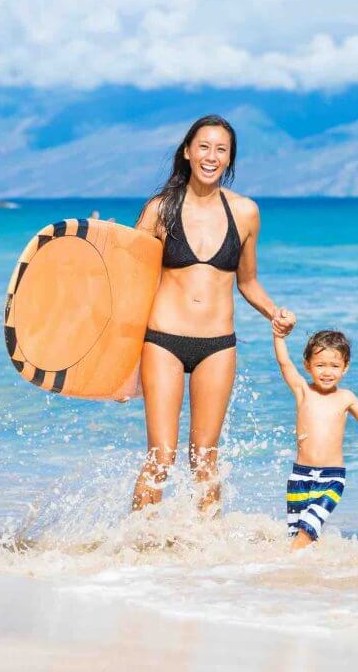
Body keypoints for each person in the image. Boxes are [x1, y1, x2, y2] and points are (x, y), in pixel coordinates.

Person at [131, 114, 295, 515]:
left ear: (229, 159)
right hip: (163, 340)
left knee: (205, 458)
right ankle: (133, 546)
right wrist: (119, 366)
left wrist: (275, 312)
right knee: (162, 456)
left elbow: (248, 281)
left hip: (217, 346)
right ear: (187, 152)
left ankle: (208, 557)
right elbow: (131, 282)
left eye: (221, 149)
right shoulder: (159, 209)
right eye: (203, 146)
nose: (211, 156)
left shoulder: (246, 213)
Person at [273, 329, 358, 550]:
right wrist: (278, 337)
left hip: (332, 478)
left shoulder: (345, 398)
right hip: (299, 475)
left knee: (307, 530)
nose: (327, 372)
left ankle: (282, 566)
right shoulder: (303, 390)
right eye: (320, 365)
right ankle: (301, 576)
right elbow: (284, 363)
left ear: (345, 367)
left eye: (334, 366)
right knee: (296, 535)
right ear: (307, 365)